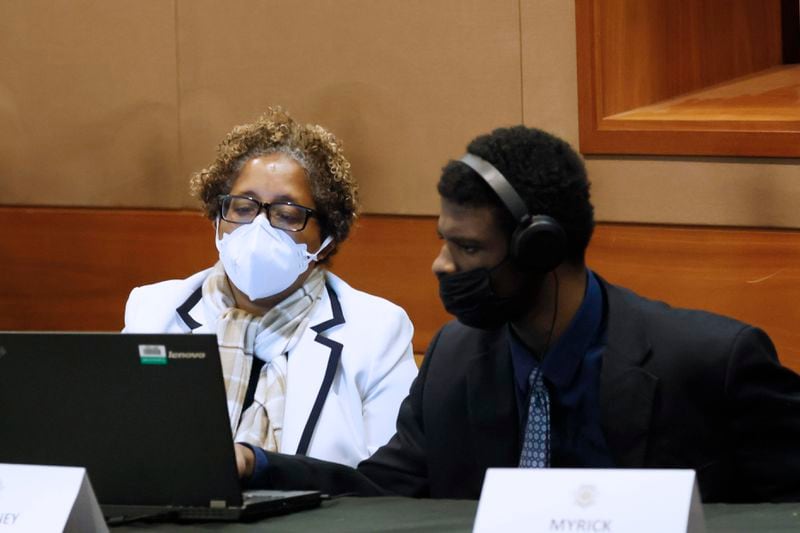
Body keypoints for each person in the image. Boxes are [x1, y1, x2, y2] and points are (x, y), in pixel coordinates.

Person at [235, 125, 800, 503]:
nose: (441, 265)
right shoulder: (454, 359)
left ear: (542, 250)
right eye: (444, 241)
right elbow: (379, 494)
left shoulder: (711, 363)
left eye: (469, 249)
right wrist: (257, 467)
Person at [123, 108, 418, 468]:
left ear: (326, 236)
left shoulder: (376, 330)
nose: (259, 227)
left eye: (287, 214)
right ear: (217, 217)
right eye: (243, 208)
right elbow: (122, 447)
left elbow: (387, 484)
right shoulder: (154, 309)